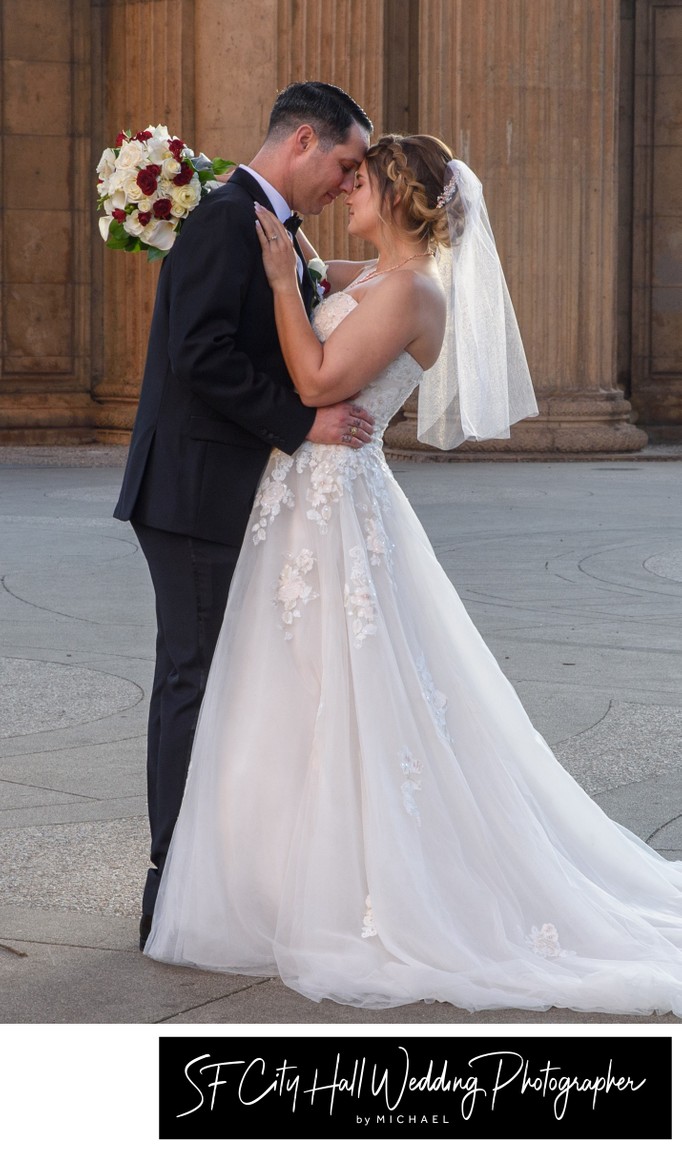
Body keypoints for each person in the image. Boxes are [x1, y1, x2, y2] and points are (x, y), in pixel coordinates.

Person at [144, 134, 682, 1017]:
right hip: (299, 504)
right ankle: (271, 879)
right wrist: (240, 212)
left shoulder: (416, 293)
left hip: (336, 506)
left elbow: (318, 376)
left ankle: (362, 887)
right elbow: (322, 268)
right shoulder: (382, 272)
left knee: (348, 692)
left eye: (362, 181)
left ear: (396, 197)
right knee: (284, 690)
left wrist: (284, 286)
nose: (347, 190)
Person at [113, 82, 375, 951]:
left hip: (220, 486)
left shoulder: (266, 222)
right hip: (193, 491)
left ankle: (208, 875)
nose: (348, 183)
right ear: (304, 141)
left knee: (215, 678)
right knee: (192, 679)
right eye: (344, 163)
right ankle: (170, 883)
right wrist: (304, 422)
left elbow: (290, 305)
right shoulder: (229, 219)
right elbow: (200, 356)